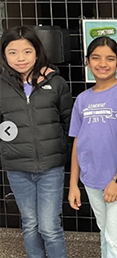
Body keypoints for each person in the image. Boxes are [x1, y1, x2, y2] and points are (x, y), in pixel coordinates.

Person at [0, 25, 72, 258]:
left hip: (51, 167)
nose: (20, 58)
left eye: (27, 51)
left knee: (50, 227)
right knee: (30, 224)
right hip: (17, 167)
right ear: (4, 54)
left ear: (37, 52)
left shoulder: (56, 82)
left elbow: (69, 122)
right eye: (13, 52)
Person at [68, 36, 117, 258]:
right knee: (105, 232)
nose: (103, 63)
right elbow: (77, 141)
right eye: (96, 58)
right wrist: (73, 184)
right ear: (87, 62)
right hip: (91, 180)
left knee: (116, 238)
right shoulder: (82, 99)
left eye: (110, 58)